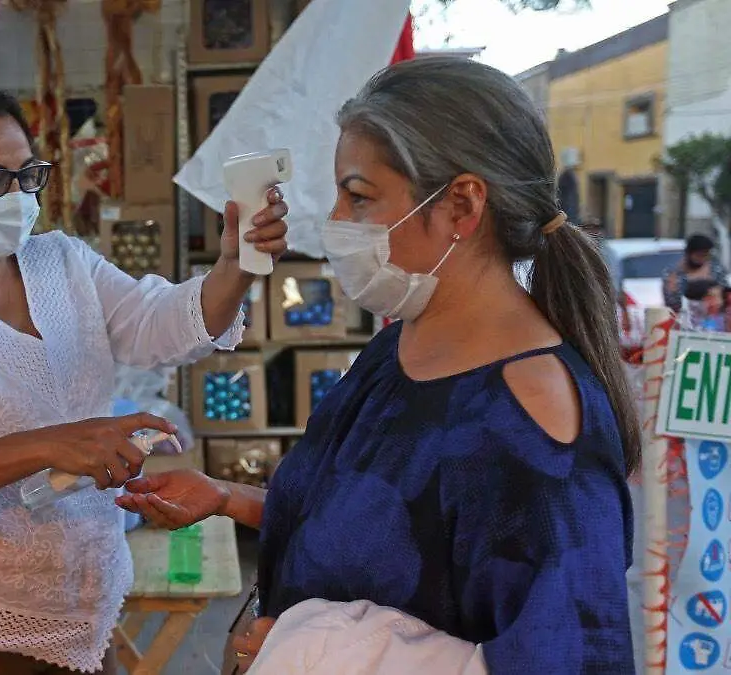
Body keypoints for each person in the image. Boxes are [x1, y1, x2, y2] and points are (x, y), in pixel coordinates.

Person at [118, 57, 637, 673]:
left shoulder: (533, 417)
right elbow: (374, 527)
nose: (336, 221)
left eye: (358, 196)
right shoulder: (395, 352)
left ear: (463, 206)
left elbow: (570, 657)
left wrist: (309, 652)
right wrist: (229, 497)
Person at [0, 81, 289, 675]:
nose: (14, 197)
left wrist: (235, 267)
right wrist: (53, 443)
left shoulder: (61, 262)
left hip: (77, 600)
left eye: (26, 175)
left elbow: (159, 324)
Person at [664, 233, 726, 313]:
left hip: (715, 319)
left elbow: (726, 296)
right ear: (688, 254)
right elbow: (671, 305)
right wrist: (672, 291)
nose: (702, 259)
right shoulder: (674, 274)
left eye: (705, 255)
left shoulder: (716, 270)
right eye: (698, 255)